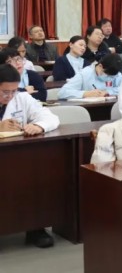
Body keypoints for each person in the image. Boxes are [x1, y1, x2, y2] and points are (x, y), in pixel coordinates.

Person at [0, 64, 59, 248]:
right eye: (5, 92)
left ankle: (35, 228)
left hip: (18, 157)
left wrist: (39, 126)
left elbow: (51, 118)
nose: (9, 96)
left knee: (35, 178)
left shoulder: (22, 98)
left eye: (13, 91)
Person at [58, 53, 122, 99]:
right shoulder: (85, 73)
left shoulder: (116, 74)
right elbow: (62, 93)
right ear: (100, 66)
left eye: (112, 77)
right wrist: (85, 94)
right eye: (107, 75)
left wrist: (108, 92)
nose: (109, 78)